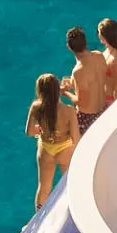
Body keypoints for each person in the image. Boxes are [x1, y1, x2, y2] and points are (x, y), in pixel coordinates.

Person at [25, 73, 80, 209]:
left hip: (46, 149)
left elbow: (29, 132)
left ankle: (38, 219)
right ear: (57, 90)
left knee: (43, 187)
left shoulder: (36, 107)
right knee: (70, 184)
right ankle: (73, 212)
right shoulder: (68, 111)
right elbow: (76, 138)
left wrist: (42, 129)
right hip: (65, 149)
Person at [59, 26, 109, 135]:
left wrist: (65, 93)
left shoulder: (78, 71)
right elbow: (95, 80)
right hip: (104, 109)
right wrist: (72, 83)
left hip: (88, 118)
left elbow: (82, 102)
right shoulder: (99, 55)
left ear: (69, 47)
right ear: (85, 42)